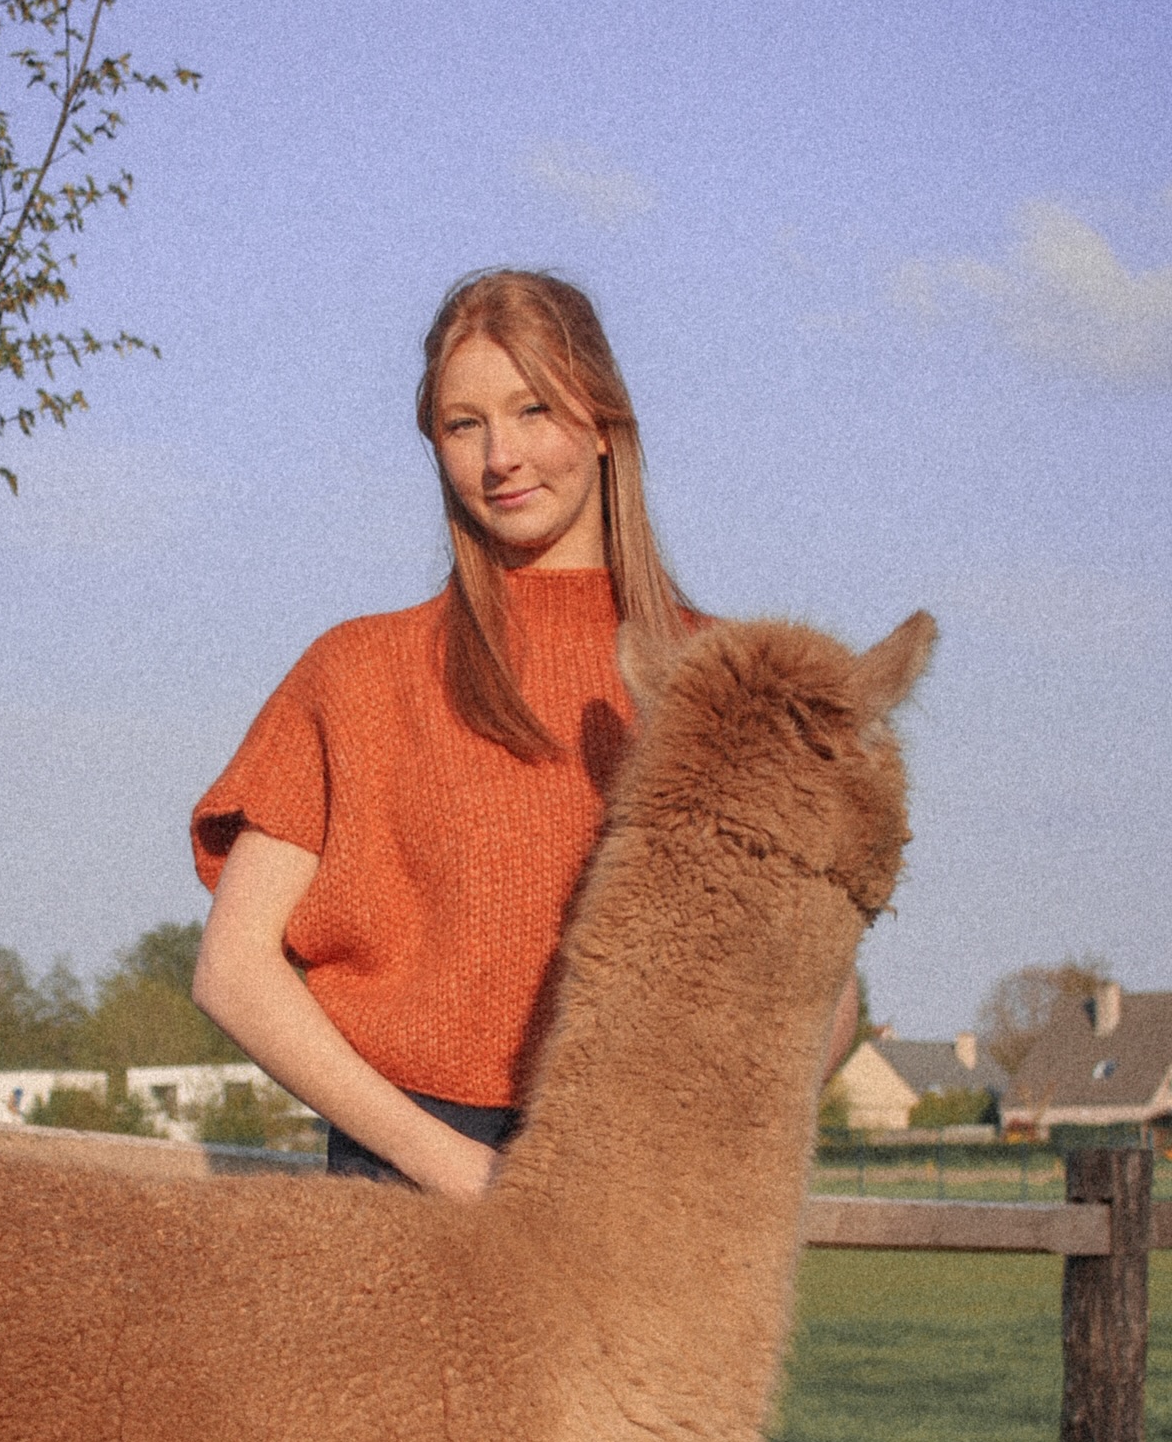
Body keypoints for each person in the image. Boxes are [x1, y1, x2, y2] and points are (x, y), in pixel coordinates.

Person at [190, 269, 858, 1198]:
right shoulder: (356, 673)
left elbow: (825, 985)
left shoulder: (726, 684)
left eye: (533, 409)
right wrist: (450, 1167)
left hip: (636, 1186)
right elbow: (233, 968)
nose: (501, 455)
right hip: (405, 1195)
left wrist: (698, 1132)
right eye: (465, 425)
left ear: (603, 418)